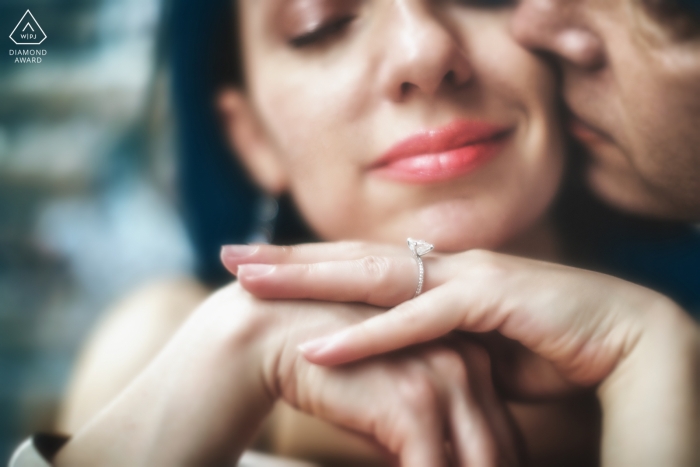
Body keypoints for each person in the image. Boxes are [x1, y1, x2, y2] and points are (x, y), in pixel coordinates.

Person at [10, 0, 698, 466]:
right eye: (323, 21)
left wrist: (652, 361)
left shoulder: (677, 354)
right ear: (251, 138)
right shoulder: (163, 353)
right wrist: (235, 348)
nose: (425, 51)